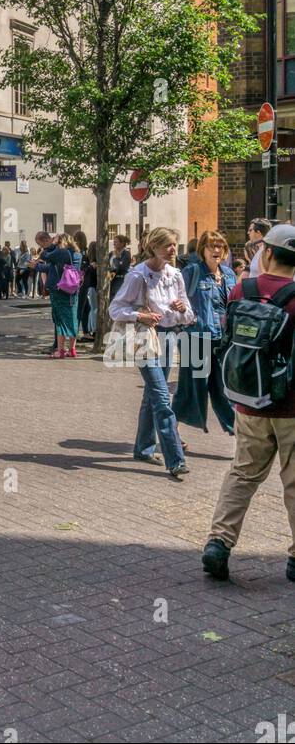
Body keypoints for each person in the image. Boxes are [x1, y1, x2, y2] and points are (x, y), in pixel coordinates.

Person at [202, 223, 295, 583]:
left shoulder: (243, 288)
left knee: (242, 474)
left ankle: (219, 543)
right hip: (289, 406)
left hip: (248, 401)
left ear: (267, 253)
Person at [109, 227, 195, 480]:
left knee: (151, 395)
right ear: (154, 247)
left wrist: (182, 309)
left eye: (174, 245)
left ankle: (143, 448)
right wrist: (140, 315)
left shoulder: (175, 275)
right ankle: (175, 458)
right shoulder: (138, 276)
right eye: (167, 245)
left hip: (170, 338)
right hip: (146, 339)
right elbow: (115, 309)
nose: (172, 250)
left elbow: (188, 314)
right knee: (161, 397)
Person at [174, 230, 236, 442]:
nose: (216, 250)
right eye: (212, 246)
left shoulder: (229, 275)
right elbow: (176, 299)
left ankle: (240, 435)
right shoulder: (192, 272)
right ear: (203, 250)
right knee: (190, 388)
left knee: (224, 389)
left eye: (220, 246)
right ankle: (171, 432)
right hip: (195, 338)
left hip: (221, 340)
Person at [48, 234, 82, 357]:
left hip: (62, 289)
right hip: (73, 289)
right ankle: (72, 349)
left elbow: (46, 256)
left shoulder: (62, 253)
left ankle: (60, 350)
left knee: (60, 320)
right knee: (73, 319)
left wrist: (52, 245)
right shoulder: (78, 254)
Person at [108, 235, 131, 301]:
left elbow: (123, 267)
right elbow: (107, 265)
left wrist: (117, 258)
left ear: (122, 243)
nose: (114, 243)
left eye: (116, 242)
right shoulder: (111, 254)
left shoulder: (126, 254)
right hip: (111, 280)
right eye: (113, 242)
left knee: (116, 299)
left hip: (120, 280)